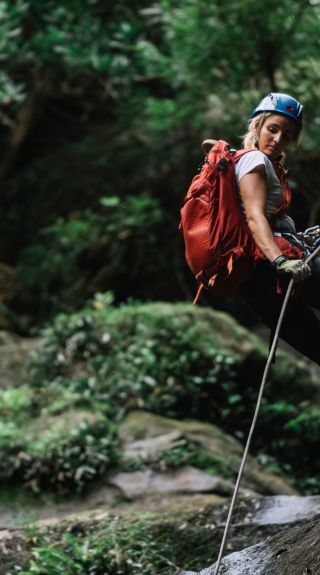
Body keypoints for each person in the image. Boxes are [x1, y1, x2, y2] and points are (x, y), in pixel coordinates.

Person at [236, 92, 320, 366]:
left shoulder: (264, 164)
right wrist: (281, 260)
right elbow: (255, 218)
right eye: (273, 129)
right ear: (257, 126)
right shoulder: (254, 160)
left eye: (287, 135)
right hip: (273, 273)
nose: (278, 139)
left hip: (262, 281)